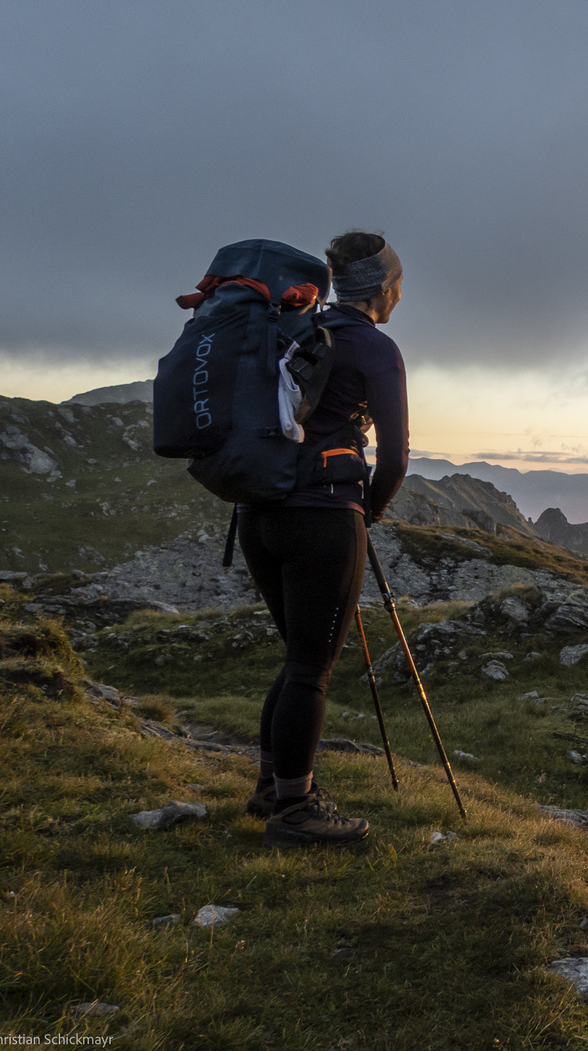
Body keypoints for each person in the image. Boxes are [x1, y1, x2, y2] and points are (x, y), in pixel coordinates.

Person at [240, 230, 409, 849]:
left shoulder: (291, 330)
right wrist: (369, 508)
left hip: (257, 514)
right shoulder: (374, 347)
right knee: (312, 667)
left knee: (298, 657)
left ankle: (269, 787)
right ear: (384, 288)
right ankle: (295, 809)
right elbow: (394, 459)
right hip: (323, 517)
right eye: (398, 284)